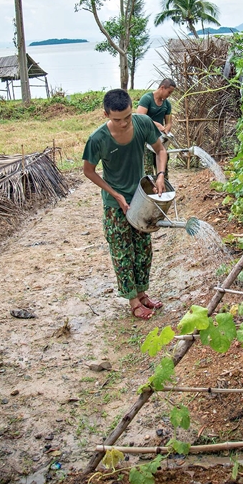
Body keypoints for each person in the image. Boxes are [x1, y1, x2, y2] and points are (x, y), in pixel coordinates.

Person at [82, 89, 169, 320]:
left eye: (127, 117)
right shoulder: (97, 139)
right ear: (106, 115)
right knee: (122, 253)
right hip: (115, 204)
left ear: (132, 109)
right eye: (116, 119)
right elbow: (88, 171)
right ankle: (132, 301)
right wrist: (115, 194)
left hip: (142, 198)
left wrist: (160, 175)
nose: (123, 123)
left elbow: (160, 150)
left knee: (143, 250)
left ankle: (142, 294)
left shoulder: (142, 123)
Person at [136, 78, 176, 175]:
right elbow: (140, 117)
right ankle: (149, 188)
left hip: (159, 139)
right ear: (162, 87)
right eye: (169, 92)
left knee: (162, 167)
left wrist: (166, 130)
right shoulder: (147, 99)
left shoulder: (167, 104)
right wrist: (157, 125)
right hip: (146, 139)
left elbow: (169, 122)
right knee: (147, 168)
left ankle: (163, 186)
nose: (169, 95)